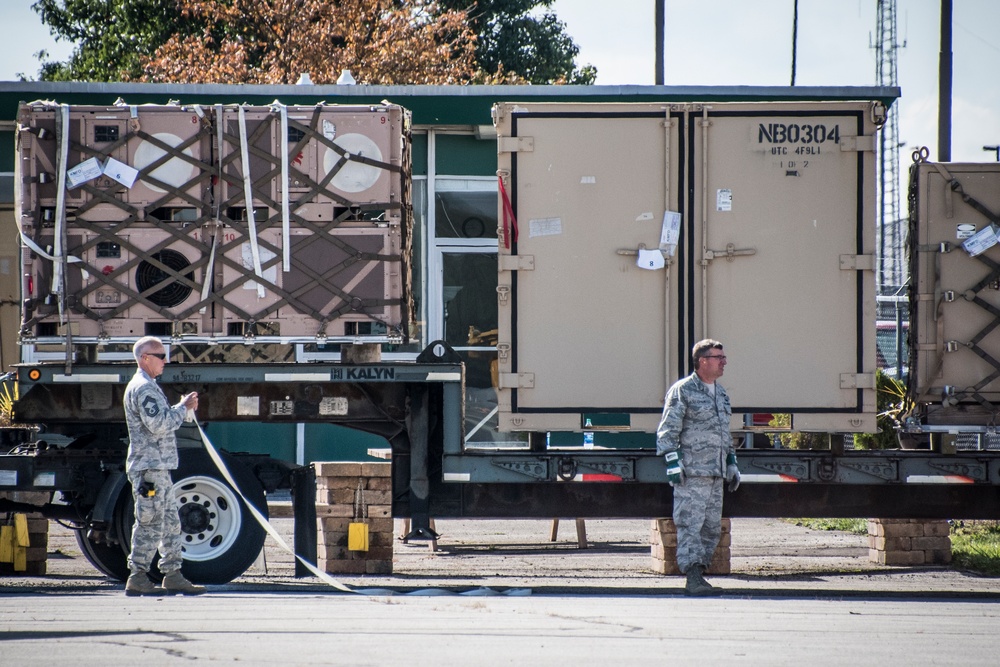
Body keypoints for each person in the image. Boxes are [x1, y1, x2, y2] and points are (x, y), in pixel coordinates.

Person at [656, 339, 741, 596]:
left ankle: (699, 576)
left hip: (715, 474)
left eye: (723, 357)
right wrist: (672, 462)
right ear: (703, 360)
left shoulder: (722, 393)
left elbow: (724, 433)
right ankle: (692, 578)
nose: (724, 361)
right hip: (692, 473)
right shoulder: (683, 390)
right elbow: (668, 431)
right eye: (718, 357)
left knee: (711, 528)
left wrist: (731, 462)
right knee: (690, 525)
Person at [123, 336, 205, 596]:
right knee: (150, 522)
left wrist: (178, 408)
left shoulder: (149, 386)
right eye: (160, 356)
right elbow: (158, 425)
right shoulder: (143, 388)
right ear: (144, 358)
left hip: (157, 467)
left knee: (170, 522)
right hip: (149, 468)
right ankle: (137, 576)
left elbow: (158, 418)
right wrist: (183, 408)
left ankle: (173, 574)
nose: (165, 361)